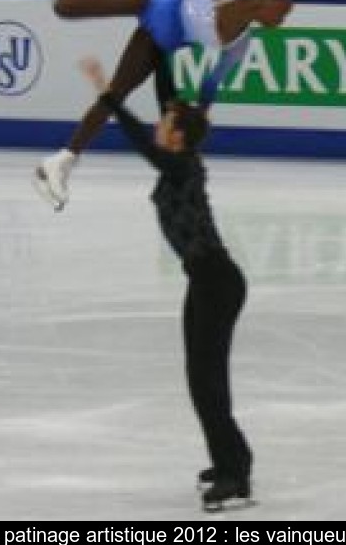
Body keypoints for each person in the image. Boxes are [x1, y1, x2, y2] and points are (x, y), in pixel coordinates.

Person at [34, 0, 293, 211]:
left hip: (160, 41)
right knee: (64, 7)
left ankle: (62, 161)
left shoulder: (239, 44)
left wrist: (197, 120)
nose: (283, 19)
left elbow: (210, 86)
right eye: (283, 10)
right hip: (152, 0)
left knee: (114, 94)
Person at [80, 56, 253, 512]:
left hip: (216, 281)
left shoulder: (179, 165)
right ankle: (230, 460)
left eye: (166, 122)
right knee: (201, 378)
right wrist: (160, 53)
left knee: (206, 381)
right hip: (204, 281)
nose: (159, 124)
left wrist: (108, 92)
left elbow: (141, 140)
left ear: (176, 137)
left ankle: (235, 473)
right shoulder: (180, 160)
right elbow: (163, 114)